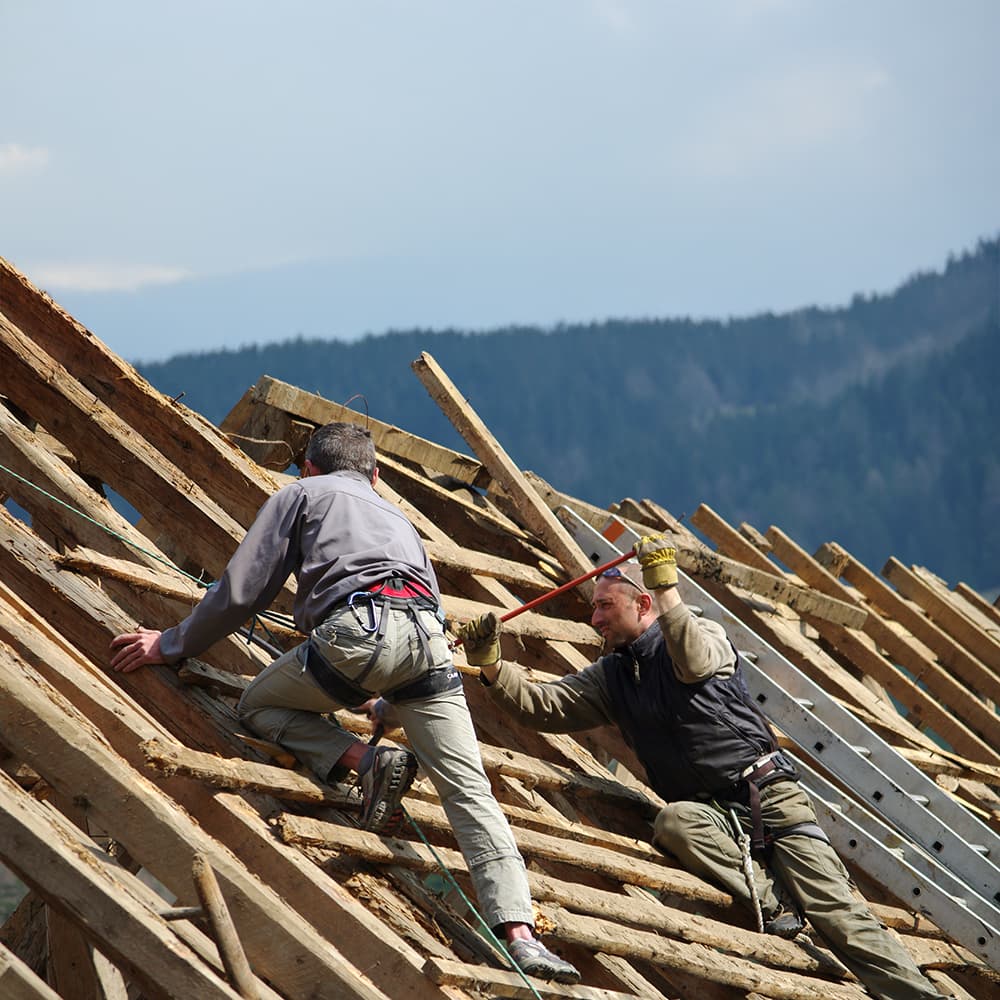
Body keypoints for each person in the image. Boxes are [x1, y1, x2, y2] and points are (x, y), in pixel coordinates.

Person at [109, 421, 579, 985]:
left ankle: (367, 762)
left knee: (258, 703)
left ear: (308, 466)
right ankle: (521, 935)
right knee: (469, 788)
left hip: (358, 637)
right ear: (375, 474)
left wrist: (171, 643)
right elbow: (413, 613)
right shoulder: (400, 518)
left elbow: (242, 590)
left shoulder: (301, 494)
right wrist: (392, 702)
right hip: (430, 646)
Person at [456, 536, 950, 1000]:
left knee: (838, 916)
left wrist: (667, 587)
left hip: (768, 798)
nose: (594, 619)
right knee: (673, 822)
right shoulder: (614, 675)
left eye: (605, 606)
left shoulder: (702, 634)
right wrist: (493, 667)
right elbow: (547, 706)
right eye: (594, 608)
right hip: (707, 815)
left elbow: (691, 660)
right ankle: (772, 899)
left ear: (643, 604)